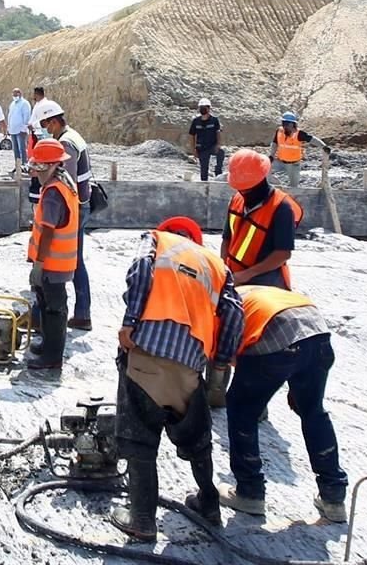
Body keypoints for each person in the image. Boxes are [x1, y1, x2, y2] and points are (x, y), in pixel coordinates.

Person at [110, 216, 244, 541]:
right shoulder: (217, 267)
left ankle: (141, 520)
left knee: (141, 436)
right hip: (190, 365)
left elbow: (141, 270)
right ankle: (209, 503)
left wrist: (130, 322)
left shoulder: (157, 241)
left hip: (148, 352)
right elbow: (235, 314)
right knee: (196, 439)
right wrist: (220, 364)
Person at [218, 285, 348, 522]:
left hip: (278, 335)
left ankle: (250, 493)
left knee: (241, 408)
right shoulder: (256, 291)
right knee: (313, 411)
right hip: (317, 336)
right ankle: (334, 496)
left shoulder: (224, 302)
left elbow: (225, 353)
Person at [33, 100, 94, 331]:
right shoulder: (72, 136)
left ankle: (72, 314)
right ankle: (80, 313)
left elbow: (61, 181)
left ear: (55, 120)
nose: (45, 129)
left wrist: (50, 208)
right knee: (74, 260)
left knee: (67, 261)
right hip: (79, 205)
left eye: (46, 124)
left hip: (73, 208)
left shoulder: (66, 143)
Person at [26, 139, 79, 370]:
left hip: (53, 262)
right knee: (48, 303)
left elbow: (48, 230)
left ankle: (52, 357)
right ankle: (48, 345)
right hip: (58, 261)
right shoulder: (62, 183)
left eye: (38, 167)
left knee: (54, 309)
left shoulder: (53, 193)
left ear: (49, 165)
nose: (35, 173)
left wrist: (38, 264)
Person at [223, 149, 303, 289]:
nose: (243, 193)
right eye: (240, 189)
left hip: (266, 281)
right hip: (234, 276)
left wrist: (247, 274)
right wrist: (223, 267)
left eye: (247, 189)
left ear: (260, 180)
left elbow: (283, 253)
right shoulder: (236, 200)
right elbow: (227, 239)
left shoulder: (281, 207)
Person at [269, 111, 330, 188]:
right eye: (283, 123)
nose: (285, 126)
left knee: (294, 186)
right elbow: (275, 143)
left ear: (292, 124)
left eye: (287, 124)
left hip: (293, 164)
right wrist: (271, 155)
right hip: (280, 162)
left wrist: (323, 146)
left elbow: (312, 139)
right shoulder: (279, 131)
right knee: (265, 169)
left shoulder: (299, 134)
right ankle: (276, 186)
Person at [188, 98, 225, 182]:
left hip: (212, 146)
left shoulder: (214, 120)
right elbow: (192, 136)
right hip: (202, 148)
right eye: (201, 107)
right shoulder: (196, 121)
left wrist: (218, 144)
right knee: (204, 171)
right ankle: (205, 188)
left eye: (204, 107)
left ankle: (218, 171)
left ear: (209, 108)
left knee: (221, 152)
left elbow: (218, 132)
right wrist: (193, 150)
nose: (202, 109)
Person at [7, 87, 32, 171]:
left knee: (22, 149)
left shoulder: (24, 103)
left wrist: (24, 129)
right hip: (13, 130)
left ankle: (24, 165)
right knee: (15, 149)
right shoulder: (12, 104)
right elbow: (10, 116)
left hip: (20, 130)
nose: (14, 96)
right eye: (13, 94)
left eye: (16, 94)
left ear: (20, 94)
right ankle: (17, 166)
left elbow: (26, 116)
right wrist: (9, 128)